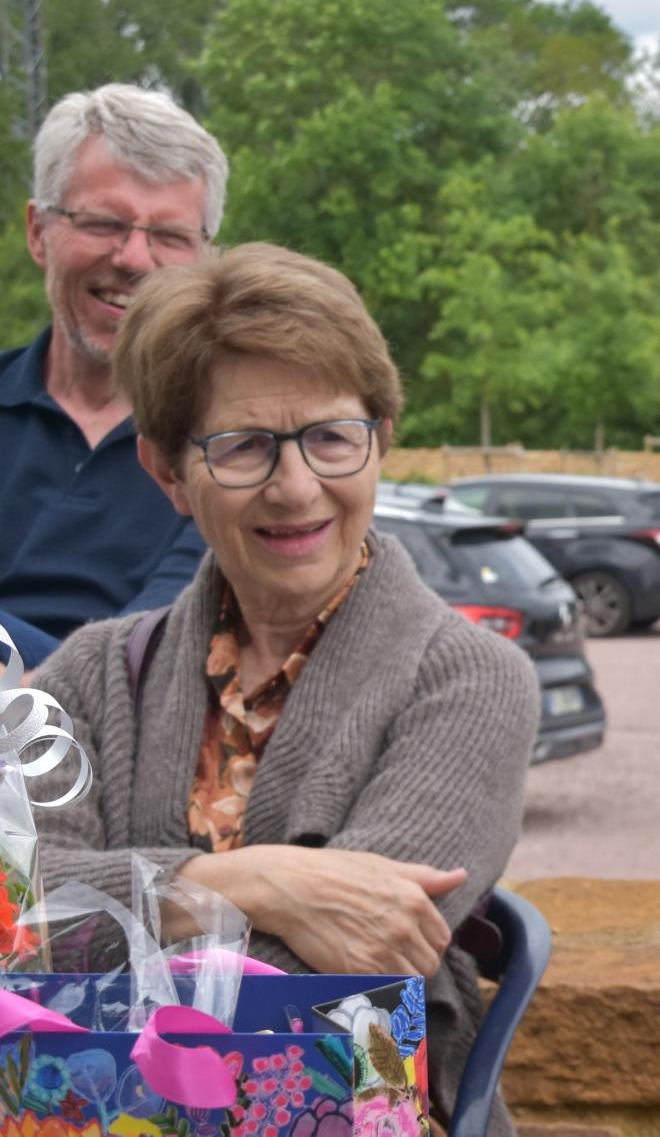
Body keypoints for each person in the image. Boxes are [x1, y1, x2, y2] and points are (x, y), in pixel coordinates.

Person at [32, 244, 540, 1134]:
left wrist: (115, 924)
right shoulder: (88, 673)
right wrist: (250, 884)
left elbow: (345, 971)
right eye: (244, 447)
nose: (297, 486)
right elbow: (16, 917)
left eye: (333, 437)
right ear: (167, 473)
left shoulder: (470, 678)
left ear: (381, 438)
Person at [0, 85, 226, 668]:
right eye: (103, 223)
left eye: (170, 236)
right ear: (37, 233)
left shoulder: (231, 444)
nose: (133, 259)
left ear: (204, 259)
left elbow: (139, 663)